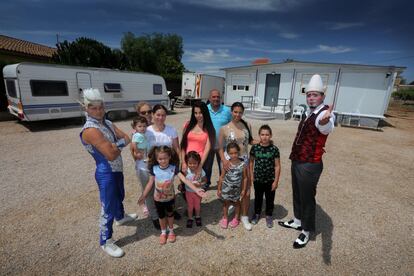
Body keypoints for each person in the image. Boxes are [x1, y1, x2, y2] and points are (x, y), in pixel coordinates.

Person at [278, 74, 335, 249]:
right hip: (298, 160)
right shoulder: (308, 111)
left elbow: (326, 127)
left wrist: (326, 122)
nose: (311, 98)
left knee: (307, 198)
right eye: (309, 95)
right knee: (297, 192)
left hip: (310, 164)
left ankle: (306, 231)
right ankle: (297, 220)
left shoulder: (323, 114)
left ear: (322, 97)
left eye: (315, 95)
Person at [80, 88, 137, 258]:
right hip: (106, 172)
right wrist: (116, 146)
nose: (98, 111)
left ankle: (120, 217)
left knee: (119, 195)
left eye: (100, 107)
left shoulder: (107, 123)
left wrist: (114, 145)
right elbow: (111, 154)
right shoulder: (90, 129)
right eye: (93, 108)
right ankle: (105, 241)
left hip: (116, 168)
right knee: (108, 205)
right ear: (86, 108)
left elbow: (127, 137)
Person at [137, 146, 205, 245]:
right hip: (158, 199)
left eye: (165, 158)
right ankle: (163, 232)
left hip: (170, 199)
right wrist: (143, 196)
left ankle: (172, 231)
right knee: (161, 216)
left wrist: (196, 190)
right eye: (160, 159)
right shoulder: (154, 169)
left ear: (169, 157)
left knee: (170, 215)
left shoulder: (174, 169)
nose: (163, 161)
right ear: (156, 159)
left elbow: (185, 180)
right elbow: (150, 183)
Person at [218, 102, 254, 231]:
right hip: (230, 163)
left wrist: (263, 140)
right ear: (231, 112)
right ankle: (228, 213)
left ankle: (244, 216)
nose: (237, 114)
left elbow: (250, 142)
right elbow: (220, 148)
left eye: (240, 112)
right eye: (235, 112)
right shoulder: (224, 128)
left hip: (244, 162)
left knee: (246, 189)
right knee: (230, 188)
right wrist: (224, 161)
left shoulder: (247, 125)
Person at [146, 104, 182, 220]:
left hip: (168, 164)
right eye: (158, 115)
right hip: (153, 165)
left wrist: (180, 162)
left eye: (163, 115)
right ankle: (157, 215)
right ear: (153, 115)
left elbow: (177, 147)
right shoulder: (147, 131)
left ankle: (171, 209)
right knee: (154, 189)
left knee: (169, 187)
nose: (160, 118)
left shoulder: (171, 130)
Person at [131, 102, 160, 229]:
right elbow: (133, 151)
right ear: (139, 114)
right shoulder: (137, 132)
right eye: (144, 112)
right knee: (148, 192)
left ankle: (161, 211)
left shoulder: (154, 129)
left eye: (149, 111)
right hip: (143, 167)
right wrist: (137, 155)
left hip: (156, 165)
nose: (147, 114)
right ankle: (154, 217)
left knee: (159, 189)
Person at [249, 125, 281, 228]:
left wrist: (276, 181)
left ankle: (269, 215)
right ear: (259, 135)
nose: (264, 137)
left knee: (270, 199)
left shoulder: (274, 149)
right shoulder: (255, 148)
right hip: (258, 179)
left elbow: (277, 166)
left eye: (267, 134)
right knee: (258, 198)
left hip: (270, 180)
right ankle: (257, 214)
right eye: (262, 134)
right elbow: (251, 162)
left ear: (270, 135)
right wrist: (251, 175)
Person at [180, 101, 215, 190]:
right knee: (186, 186)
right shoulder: (187, 125)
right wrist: (183, 162)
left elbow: (207, 148)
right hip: (187, 161)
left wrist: (200, 166)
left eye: (200, 113)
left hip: (199, 162)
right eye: (195, 113)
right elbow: (183, 145)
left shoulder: (209, 128)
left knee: (198, 186)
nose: (198, 115)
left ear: (205, 113)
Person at [205, 89, 232, 189]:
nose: (216, 99)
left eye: (218, 97)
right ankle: (206, 183)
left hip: (223, 146)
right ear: (209, 98)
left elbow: (231, 125)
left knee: (224, 166)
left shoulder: (227, 110)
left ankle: (224, 183)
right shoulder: (205, 109)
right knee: (207, 166)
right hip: (208, 144)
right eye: (214, 97)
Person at [217, 142, 248, 229]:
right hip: (226, 188)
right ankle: (225, 218)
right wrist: (219, 189)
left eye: (235, 153)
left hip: (237, 190)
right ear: (228, 154)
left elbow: (245, 178)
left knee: (237, 203)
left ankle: (236, 218)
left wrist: (243, 190)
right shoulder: (226, 164)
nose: (234, 155)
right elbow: (222, 177)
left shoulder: (243, 164)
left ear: (238, 152)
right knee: (225, 203)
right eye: (231, 153)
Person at [131, 116, 151, 217]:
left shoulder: (142, 134)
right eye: (140, 126)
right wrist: (136, 151)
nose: (142, 128)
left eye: (144, 126)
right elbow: (133, 144)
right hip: (141, 160)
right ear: (135, 127)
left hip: (145, 157)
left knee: (149, 185)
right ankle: (144, 203)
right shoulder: (137, 135)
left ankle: (148, 203)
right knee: (145, 186)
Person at [183, 151, 207, 228]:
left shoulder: (201, 171)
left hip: (198, 192)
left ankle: (197, 216)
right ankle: (190, 218)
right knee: (190, 206)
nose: (192, 165)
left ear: (198, 162)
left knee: (197, 206)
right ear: (187, 162)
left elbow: (205, 180)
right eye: (190, 163)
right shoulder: (186, 171)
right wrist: (181, 185)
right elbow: (183, 180)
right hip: (188, 192)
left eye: (194, 163)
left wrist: (200, 184)